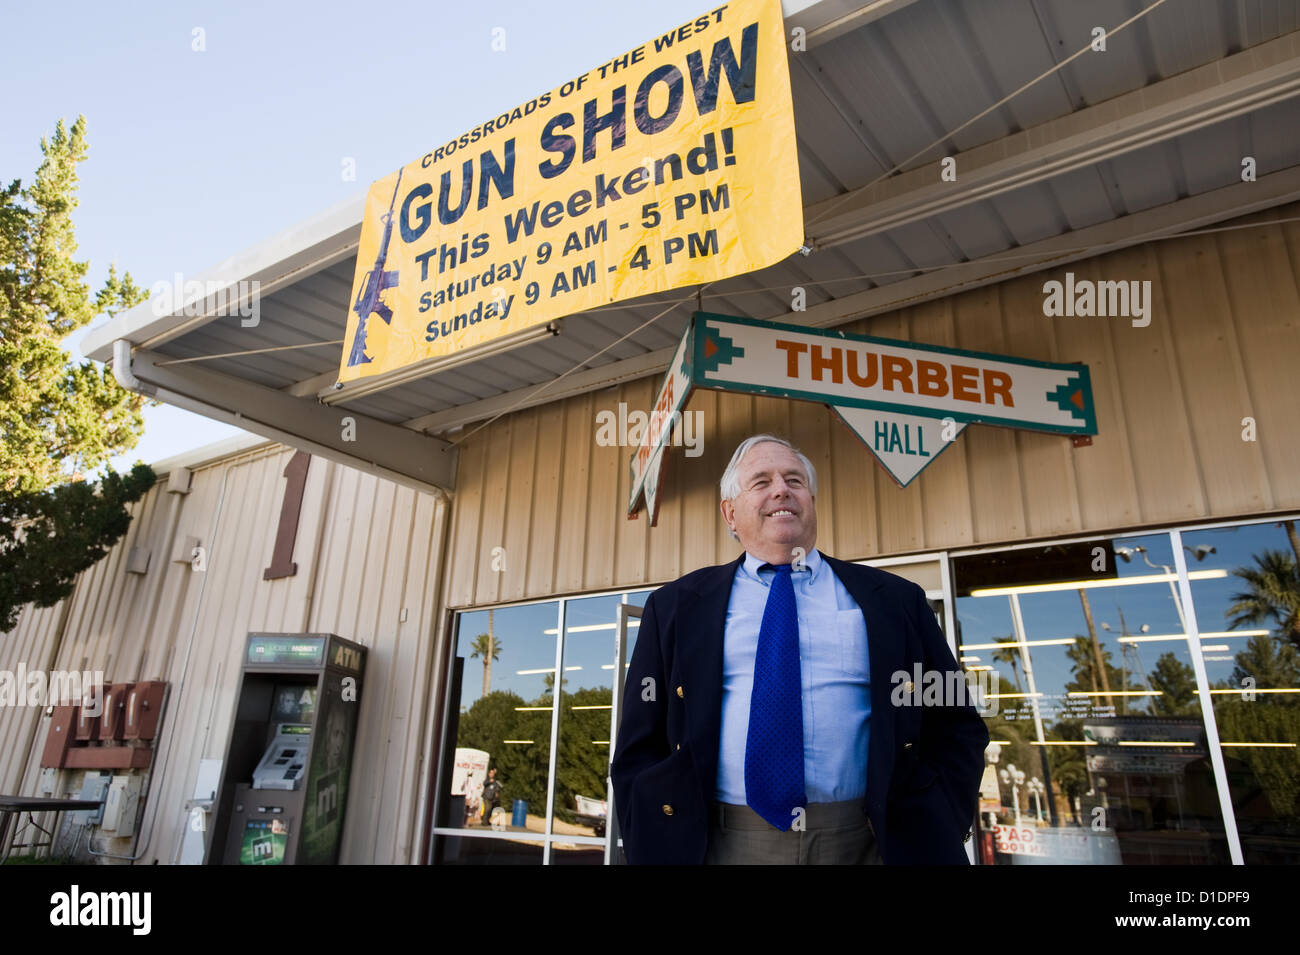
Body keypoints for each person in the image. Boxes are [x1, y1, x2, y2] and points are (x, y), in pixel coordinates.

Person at [611, 434, 989, 864]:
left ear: (811, 500)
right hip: (719, 843)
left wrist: (937, 818)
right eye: (761, 481)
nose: (781, 489)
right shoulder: (676, 607)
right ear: (729, 513)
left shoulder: (895, 600)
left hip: (871, 841)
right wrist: (648, 840)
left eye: (794, 479)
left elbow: (957, 724)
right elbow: (638, 745)